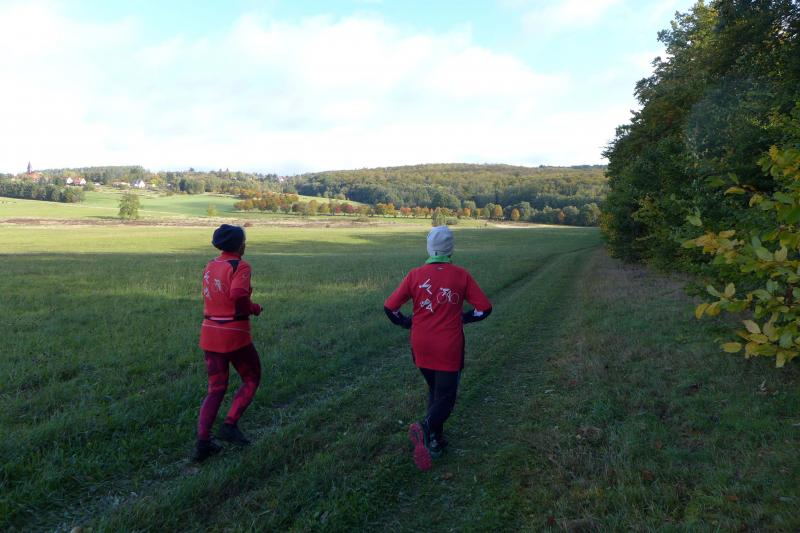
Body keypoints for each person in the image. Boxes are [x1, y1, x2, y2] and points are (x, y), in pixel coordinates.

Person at [384, 225, 492, 471]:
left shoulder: (415, 275)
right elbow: (484, 308)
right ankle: (424, 428)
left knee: (435, 390)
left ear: (429, 248)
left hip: (420, 345)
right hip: (448, 347)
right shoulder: (461, 276)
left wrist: (407, 323)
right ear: (451, 249)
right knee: (447, 398)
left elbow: (390, 308)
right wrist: (464, 318)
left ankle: (435, 440)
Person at [192, 224, 263, 462]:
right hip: (234, 334)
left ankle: (203, 443)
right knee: (252, 378)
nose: (245, 244)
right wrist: (253, 308)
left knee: (215, 389)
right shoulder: (240, 266)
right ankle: (230, 425)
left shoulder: (210, 265)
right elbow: (238, 295)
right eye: (244, 241)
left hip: (209, 332)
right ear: (238, 245)